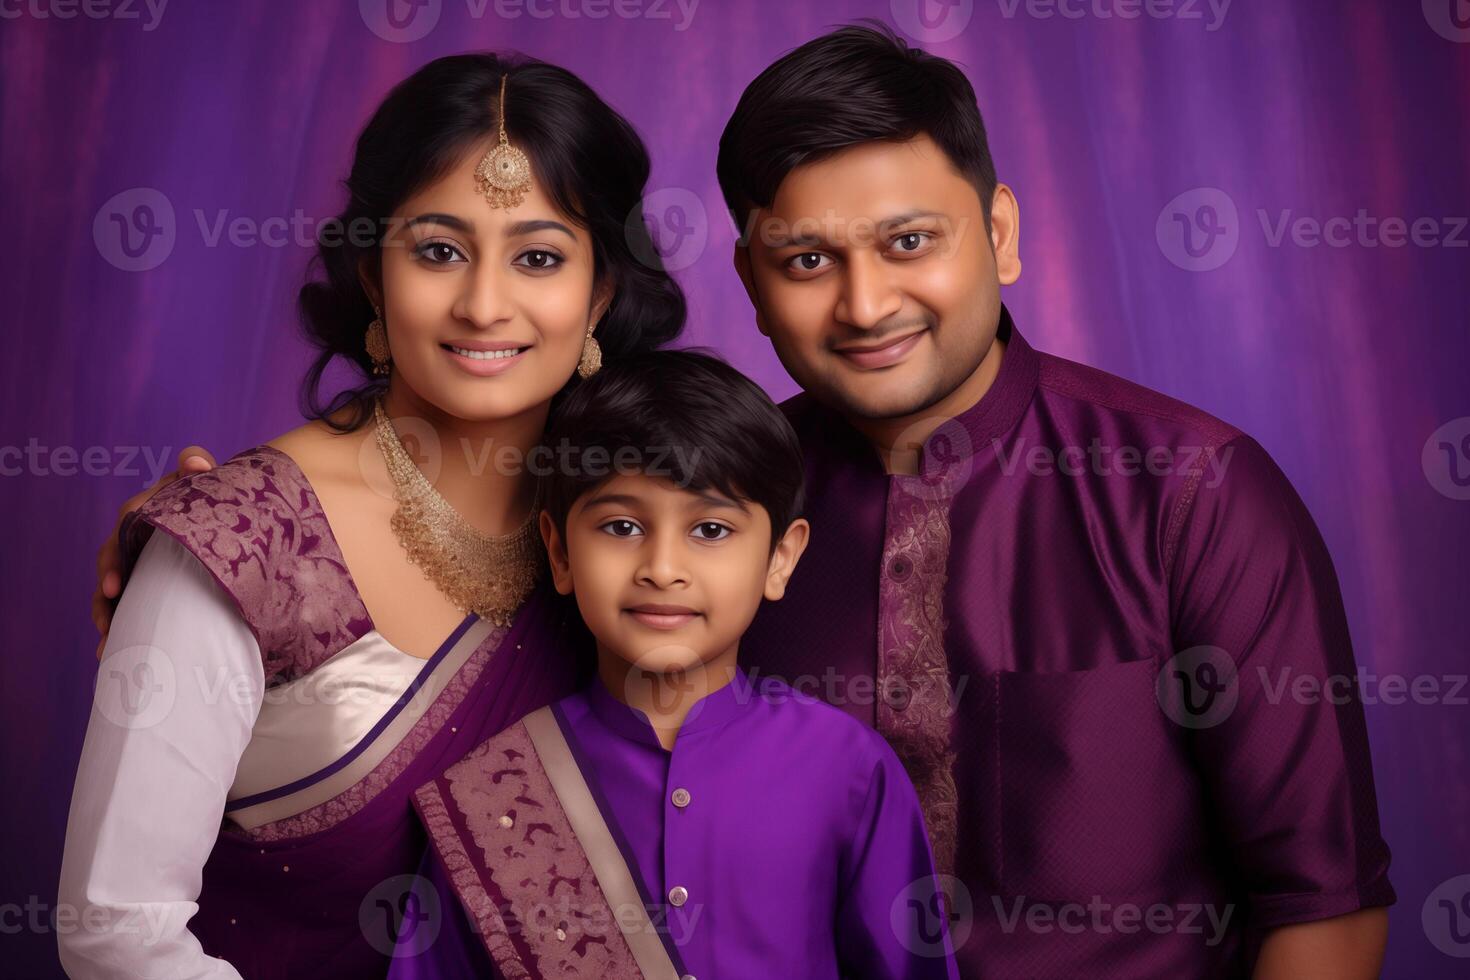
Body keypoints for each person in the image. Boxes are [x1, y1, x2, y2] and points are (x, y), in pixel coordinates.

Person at [89, 22, 1396, 979]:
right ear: (753, 285)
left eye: (908, 243)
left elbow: (1321, 906)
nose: (866, 304)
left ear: (998, 234)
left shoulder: (1187, 494)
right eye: (806, 261)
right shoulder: (700, 501)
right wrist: (213, 559)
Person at [60, 52, 683, 979]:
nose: (483, 304)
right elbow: (116, 933)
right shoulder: (242, 543)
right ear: (372, 272)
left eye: (540, 257)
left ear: (599, 292)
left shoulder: (637, 527)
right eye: (438, 251)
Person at [387, 349, 960, 979]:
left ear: (781, 558)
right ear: (559, 551)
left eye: (711, 530)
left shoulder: (849, 769)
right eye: (622, 526)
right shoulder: (495, 794)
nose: (662, 568)